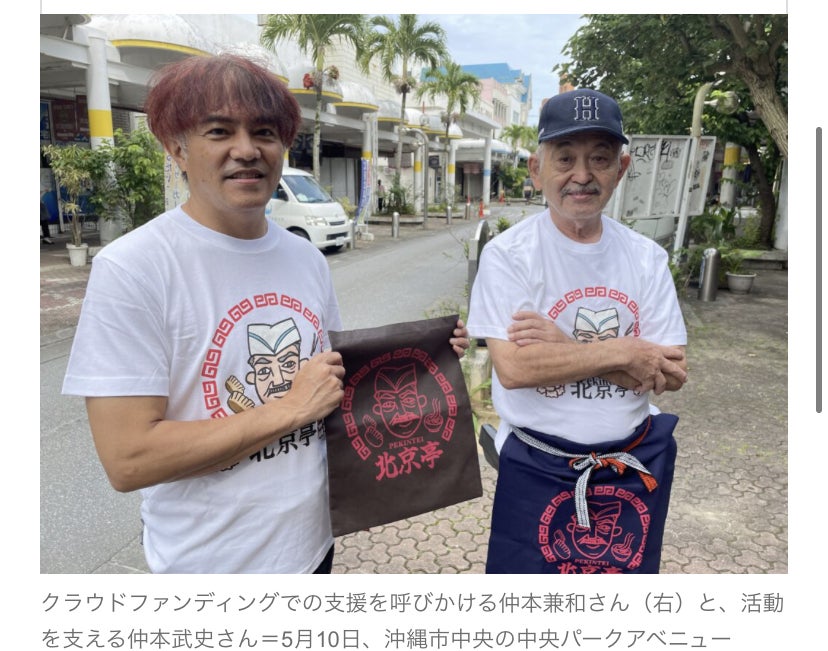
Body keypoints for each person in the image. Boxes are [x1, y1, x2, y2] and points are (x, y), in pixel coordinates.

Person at [62, 54, 469, 574]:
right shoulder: (134, 267)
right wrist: (287, 409)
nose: (247, 149)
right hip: (210, 565)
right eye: (219, 131)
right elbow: (128, 458)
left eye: (264, 132)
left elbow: (327, 382)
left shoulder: (305, 258)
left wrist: (422, 359)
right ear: (176, 148)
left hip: (314, 545)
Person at [467, 88, 688, 574]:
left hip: (630, 464)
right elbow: (516, 369)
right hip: (536, 465)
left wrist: (564, 346)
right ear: (536, 169)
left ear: (621, 169)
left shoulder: (646, 258)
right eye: (565, 158)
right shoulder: (508, 256)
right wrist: (627, 353)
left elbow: (669, 373)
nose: (582, 175)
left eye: (599, 159)